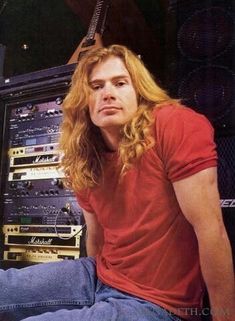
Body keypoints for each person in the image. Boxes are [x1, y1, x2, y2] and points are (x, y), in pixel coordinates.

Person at [0, 44, 234, 321]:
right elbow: (96, 239)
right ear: (83, 100)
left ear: (139, 91)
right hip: (100, 276)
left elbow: (211, 231)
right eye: (96, 87)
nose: (107, 93)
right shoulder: (82, 154)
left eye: (120, 83)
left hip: (159, 301)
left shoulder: (175, 124)